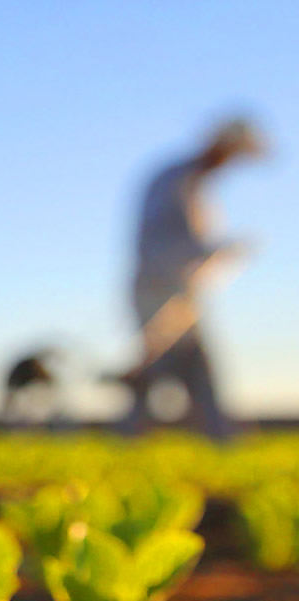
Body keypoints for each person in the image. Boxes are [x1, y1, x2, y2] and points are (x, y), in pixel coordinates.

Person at [117, 118, 266, 440]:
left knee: (187, 367)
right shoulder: (176, 180)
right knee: (161, 365)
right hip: (158, 289)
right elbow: (168, 240)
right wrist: (222, 249)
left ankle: (216, 439)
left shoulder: (195, 183)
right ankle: (134, 439)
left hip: (181, 292)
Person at [0, 347, 60, 427]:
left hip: (21, 386)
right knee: (17, 406)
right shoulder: (32, 366)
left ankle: (33, 420)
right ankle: (10, 423)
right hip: (17, 384)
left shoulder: (36, 367)